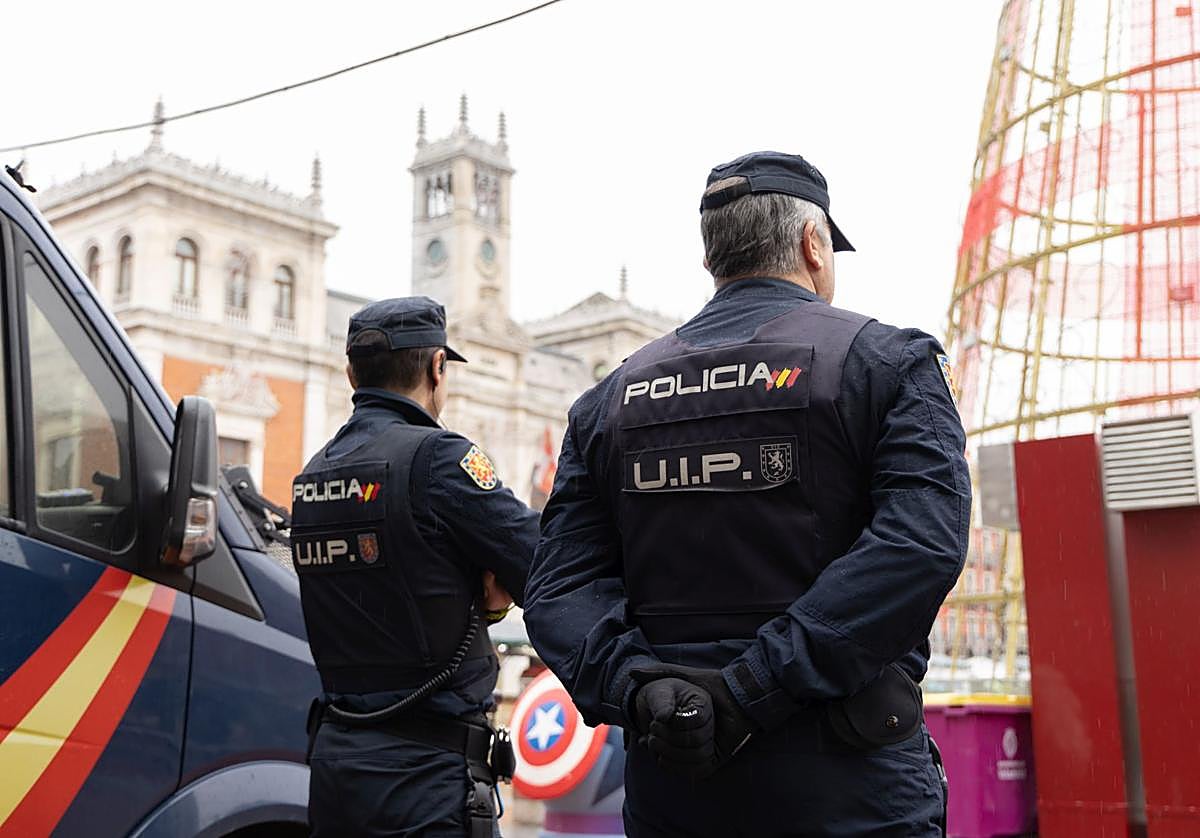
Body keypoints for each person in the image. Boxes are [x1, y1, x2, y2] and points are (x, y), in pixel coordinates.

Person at [524, 151, 969, 836]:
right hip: (848, 789)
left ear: (712, 260)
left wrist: (641, 690)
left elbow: (559, 586)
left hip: (679, 786)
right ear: (811, 243)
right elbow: (918, 547)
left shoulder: (611, 400)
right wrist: (752, 688)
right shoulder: (886, 364)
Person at [292, 297, 537, 838]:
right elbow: (537, 562)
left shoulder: (311, 476)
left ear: (352, 373)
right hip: (427, 781)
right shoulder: (439, 457)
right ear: (437, 368)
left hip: (337, 775)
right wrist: (490, 601)